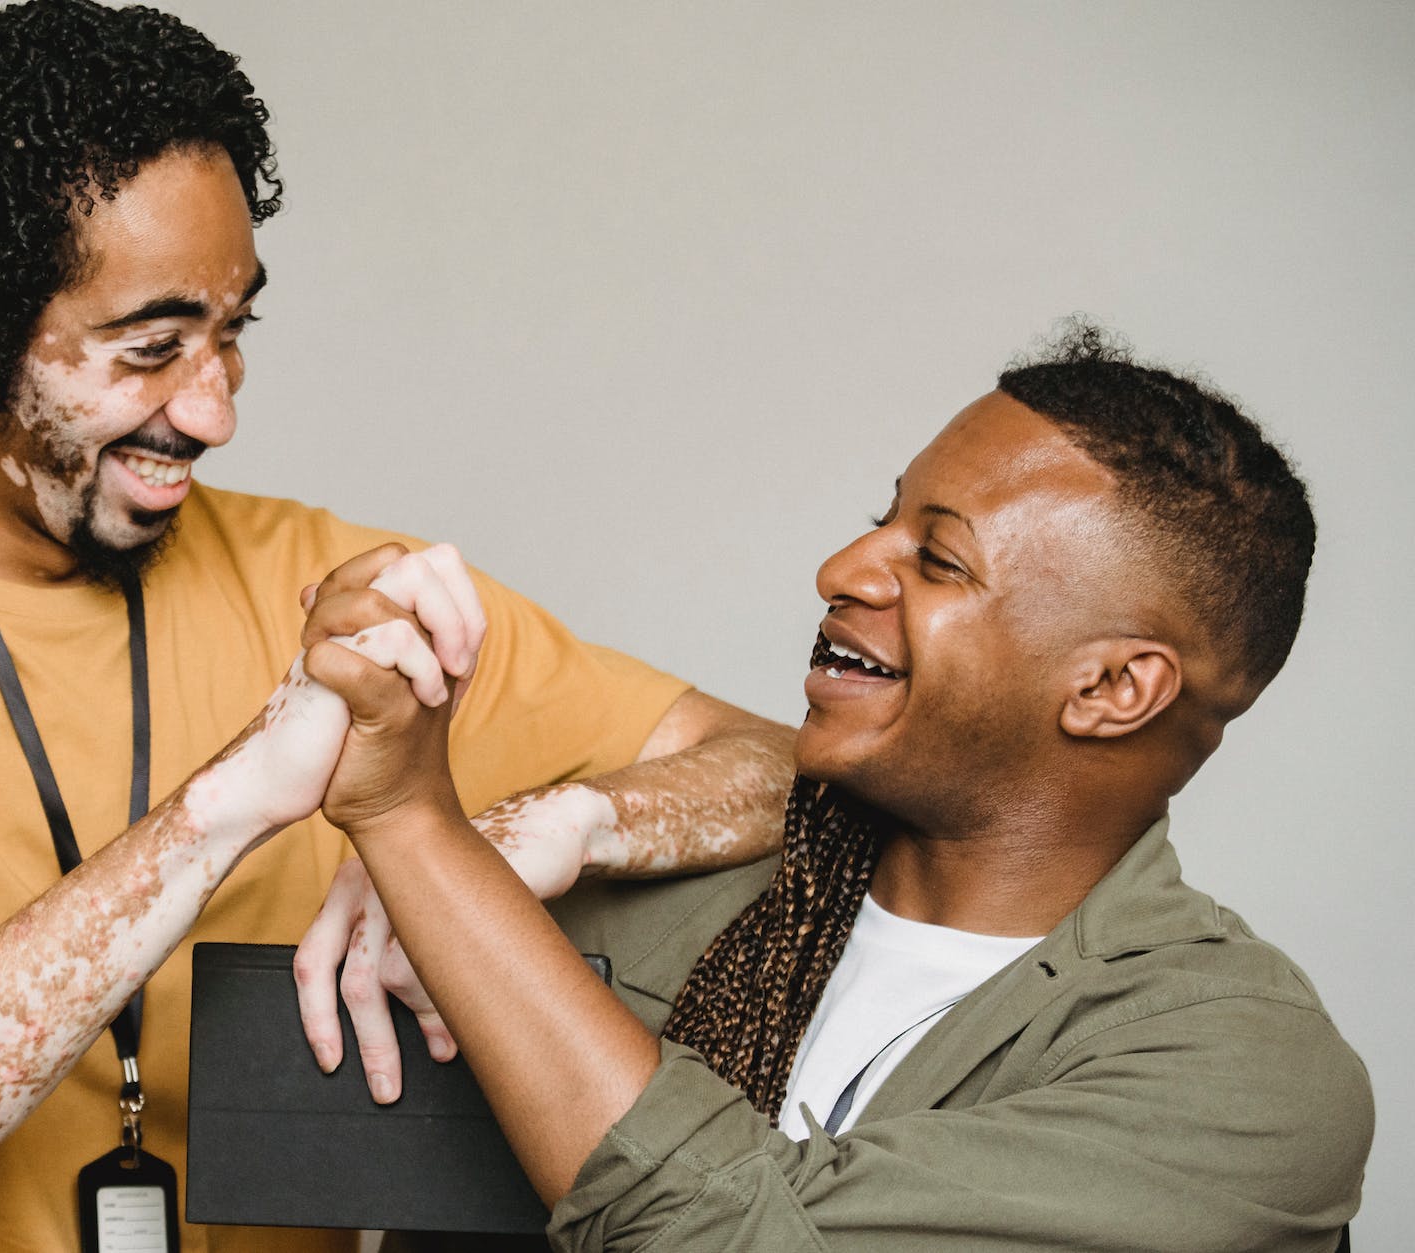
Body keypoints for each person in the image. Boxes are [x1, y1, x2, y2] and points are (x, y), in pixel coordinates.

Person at [0, 4, 793, 1250]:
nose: (210, 412)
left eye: (231, 336)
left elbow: (778, 770)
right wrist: (227, 802)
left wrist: (544, 829)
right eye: (151, 347)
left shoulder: (328, 592)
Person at [304, 325, 1373, 1251]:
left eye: (937, 560)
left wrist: (410, 820)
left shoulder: (1241, 1077)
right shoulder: (631, 919)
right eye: (883, 518)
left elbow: (718, 1228)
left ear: (1108, 687)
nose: (845, 566)